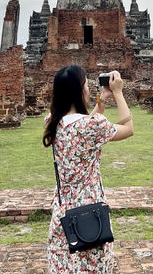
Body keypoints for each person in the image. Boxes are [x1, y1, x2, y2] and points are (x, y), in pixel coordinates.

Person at [43, 65, 134, 274]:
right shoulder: (92, 127)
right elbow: (128, 129)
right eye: (85, 85)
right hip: (90, 214)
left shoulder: (52, 122)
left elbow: (84, 123)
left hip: (63, 212)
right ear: (80, 91)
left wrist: (102, 99)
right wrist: (118, 93)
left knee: (64, 266)